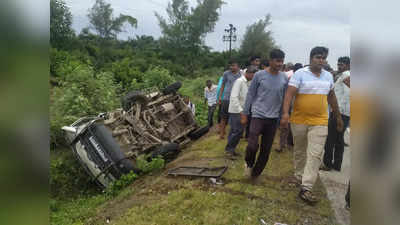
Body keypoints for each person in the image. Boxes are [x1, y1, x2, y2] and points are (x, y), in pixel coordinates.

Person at [280, 46, 344, 204]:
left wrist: (337, 116)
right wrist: (285, 113)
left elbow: (331, 96)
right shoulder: (300, 74)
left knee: (315, 155)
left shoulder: (328, 76)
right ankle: (298, 176)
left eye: (323, 58)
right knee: (300, 151)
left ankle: (306, 187)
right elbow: (289, 93)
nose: (321, 60)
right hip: (299, 120)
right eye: (318, 57)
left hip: (320, 121)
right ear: (310, 58)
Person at [241, 49, 288, 178]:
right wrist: (245, 113)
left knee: (266, 150)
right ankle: (249, 164)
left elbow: (285, 98)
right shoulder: (259, 75)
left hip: (273, 118)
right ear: (271, 60)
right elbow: (251, 94)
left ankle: (255, 174)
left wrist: (285, 114)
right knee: (252, 145)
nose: (280, 64)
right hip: (257, 115)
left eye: (282, 61)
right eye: (278, 61)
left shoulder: (284, 77)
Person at [321, 56, 351, 172]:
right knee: (339, 139)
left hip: (339, 112)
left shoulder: (346, 75)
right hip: (345, 112)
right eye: (338, 64)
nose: (339, 66)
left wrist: (337, 110)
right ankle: (337, 165)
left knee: (330, 138)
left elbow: (348, 94)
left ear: (348, 65)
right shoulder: (345, 75)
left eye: (341, 64)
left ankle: (327, 163)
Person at [225, 66, 257, 156]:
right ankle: (229, 150)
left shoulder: (248, 82)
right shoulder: (240, 81)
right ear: (248, 73)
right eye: (253, 75)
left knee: (237, 131)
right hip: (237, 111)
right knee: (236, 131)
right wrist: (241, 111)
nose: (254, 78)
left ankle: (231, 149)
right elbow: (234, 97)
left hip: (243, 110)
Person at [218, 60, 241, 139]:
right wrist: (220, 97)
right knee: (224, 117)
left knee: (235, 117)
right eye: (231, 65)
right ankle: (221, 133)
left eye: (234, 65)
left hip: (236, 99)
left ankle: (234, 133)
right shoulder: (226, 73)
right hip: (226, 98)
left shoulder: (240, 74)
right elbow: (223, 85)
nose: (232, 67)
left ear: (238, 66)